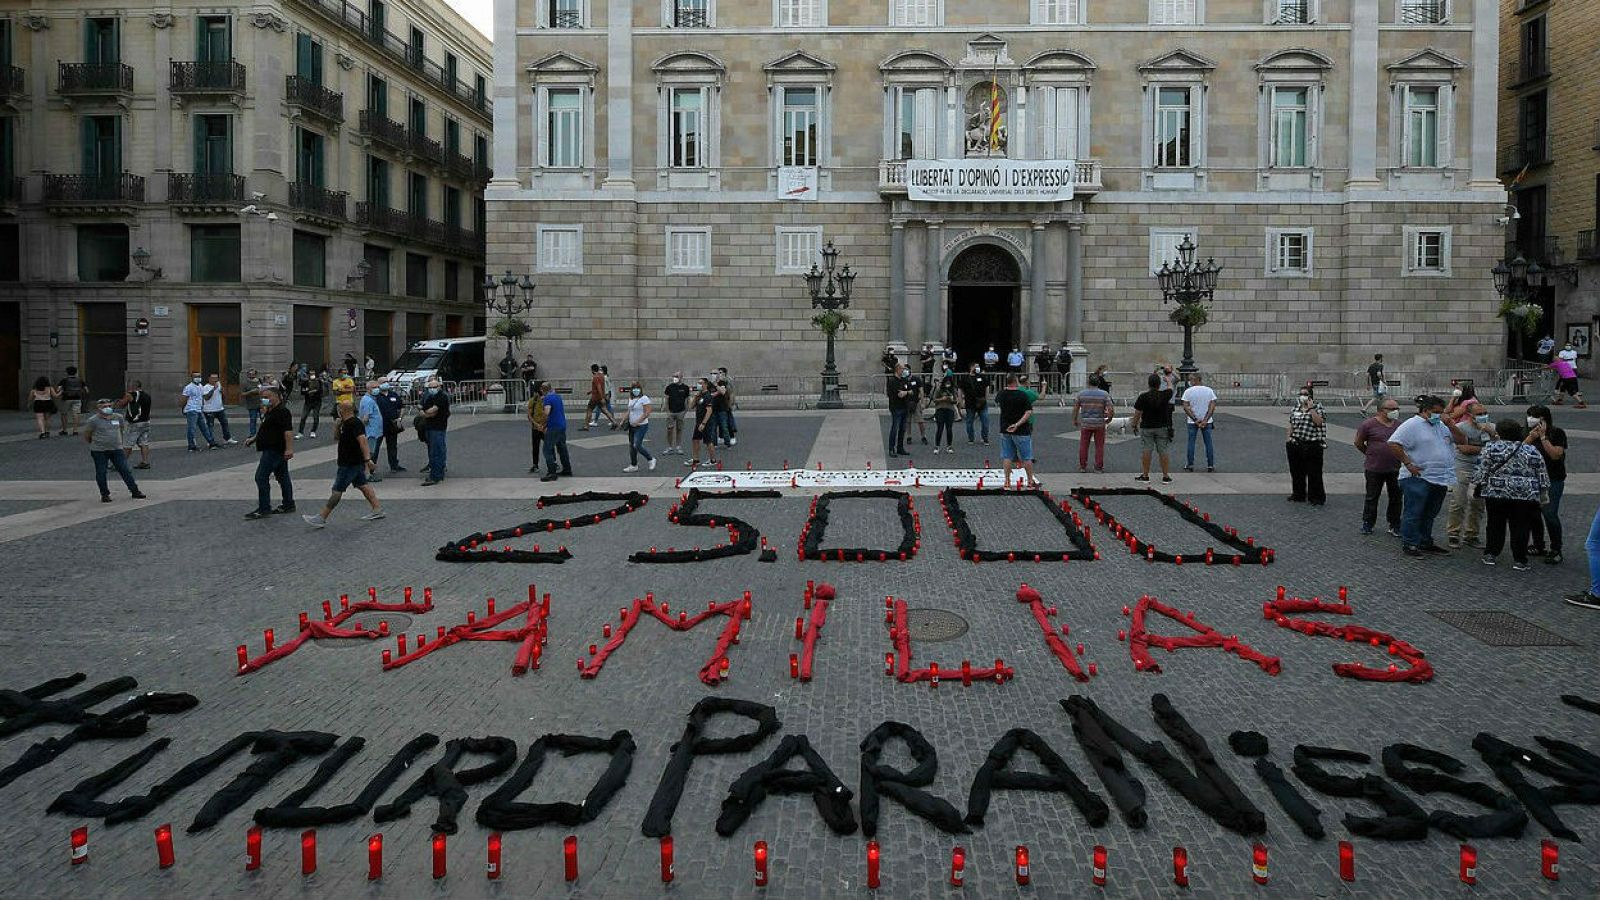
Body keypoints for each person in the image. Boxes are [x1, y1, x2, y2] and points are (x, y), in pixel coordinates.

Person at [1387, 394, 1463, 558]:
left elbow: (1462, 440)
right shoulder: (1412, 425)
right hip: (1417, 477)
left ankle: (1425, 541)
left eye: (1441, 412)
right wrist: (1408, 463)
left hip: (1439, 477)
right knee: (1414, 511)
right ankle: (1410, 542)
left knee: (1430, 513)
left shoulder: (1442, 425)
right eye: (1436, 412)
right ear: (1425, 410)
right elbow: (1393, 443)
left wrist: (1451, 424)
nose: (1439, 415)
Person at [1473, 419, 1549, 571]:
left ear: (1499, 433)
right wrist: (1543, 492)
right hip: (1524, 494)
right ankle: (1520, 559)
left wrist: (1477, 485)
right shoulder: (1531, 450)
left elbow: (1482, 470)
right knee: (1521, 526)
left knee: (1495, 524)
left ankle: (1491, 553)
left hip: (1496, 492)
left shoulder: (1491, 448)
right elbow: (1541, 472)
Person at [303, 401, 384, 528]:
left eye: (339, 409)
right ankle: (377, 509)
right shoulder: (345, 423)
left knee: (337, 490)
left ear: (342, 410)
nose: (337, 412)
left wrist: (368, 460)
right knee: (363, 485)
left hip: (349, 463)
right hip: (352, 462)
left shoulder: (355, 423)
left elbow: (363, 441)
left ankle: (322, 517)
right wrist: (337, 426)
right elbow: (337, 438)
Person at [1443, 399, 1493, 548]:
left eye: (1485, 413)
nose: (1483, 416)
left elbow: (1498, 447)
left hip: (1483, 470)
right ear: (1470, 415)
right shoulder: (1461, 428)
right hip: (1462, 467)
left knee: (1478, 505)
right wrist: (1483, 450)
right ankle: (1453, 533)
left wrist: (1488, 436)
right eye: (1479, 414)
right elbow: (1463, 449)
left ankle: (1472, 535)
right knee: (1458, 502)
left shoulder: (1491, 428)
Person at [1354, 398, 1403, 536]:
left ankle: (1394, 524)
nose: (1395, 411)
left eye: (1397, 408)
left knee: (1396, 498)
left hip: (1395, 468)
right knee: (1372, 497)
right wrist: (1370, 454)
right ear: (1381, 410)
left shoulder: (1400, 425)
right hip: (1374, 468)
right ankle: (1368, 523)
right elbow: (1358, 442)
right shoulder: (1368, 424)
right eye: (1392, 409)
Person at [1525, 404, 1567, 564]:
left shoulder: (1557, 433)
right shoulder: (1527, 433)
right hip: (1532, 479)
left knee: (1549, 513)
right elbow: (1519, 451)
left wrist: (1543, 438)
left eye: (1535, 417)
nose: (1531, 419)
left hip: (1552, 479)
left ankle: (1556, 548)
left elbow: (1555, 455)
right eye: (1529, 416)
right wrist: (1530, 438)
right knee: (1533, 513)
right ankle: (1538, 544)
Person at [243, 387, 295, 519]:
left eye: (268, 397)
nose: (265, 400)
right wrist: (254, 438)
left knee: (261, 477)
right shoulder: (270, 411)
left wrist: (289, 449)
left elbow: (288, 431)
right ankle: (288, 504)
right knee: (282, 476)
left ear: (277, 396)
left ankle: (264, 508)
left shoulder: (282, 411)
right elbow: (265, 428)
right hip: (272, 448)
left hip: (275, 449)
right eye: (263, 397)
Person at [81, 399, 146, 503]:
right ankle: (105, 494)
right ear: (98, 408)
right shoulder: (93, 420)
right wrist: (94, 443)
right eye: (104, 406)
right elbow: (87, 435)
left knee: (125, 470)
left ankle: (135, 491)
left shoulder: (118, 417)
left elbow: (121, 429)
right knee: (101, 472)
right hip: (99, 451)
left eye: (109, 406)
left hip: (117, 449)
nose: (107, 408)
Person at [1285, 386, 1327, 505]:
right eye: (1301, 394)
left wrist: (1311, 408)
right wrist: (1288, 439)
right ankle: (1298, 494)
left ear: (1310, 396)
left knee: (1314, 472)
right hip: (1296, 442)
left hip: (1312, 444)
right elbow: (1291, 423)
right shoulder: (1296, 407)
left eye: (1305, 394)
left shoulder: (1318, 407)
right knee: (1296, 471)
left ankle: (1316, 497)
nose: (1302, 396)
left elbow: (1319, 422)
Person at [995, 374, 1038, 488]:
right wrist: (1017, 424)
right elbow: (1028, 412)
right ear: (1016, 382)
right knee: (1026, 457)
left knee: (1007, 456)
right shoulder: (1022, 395)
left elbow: (997, 402)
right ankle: (1030, 481)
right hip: (1021, 429)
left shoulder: (1001, 394)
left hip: (1005, 428)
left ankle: (1007, 481)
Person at [1130, 373, 1174, 483]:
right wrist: (1168, 380)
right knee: (1163, 451)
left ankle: (1145, 475)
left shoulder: (1143, 397)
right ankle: (1165, 476)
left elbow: (1138, 413)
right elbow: (1171, 388)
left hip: (1147, 426)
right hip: (1162, 426)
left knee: (1147, 450)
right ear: (1159, 384)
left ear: (1148, 384)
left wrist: (1134, 424)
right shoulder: (1164, 395)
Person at [1073, 377, 1114, 473]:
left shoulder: (1081, 394)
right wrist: (1109, 418)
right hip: (1099, 423)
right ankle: (1098, 467)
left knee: (1084, 445)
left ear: (1088, 382)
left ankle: (1083, 466)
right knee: (1099, 446)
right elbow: (1111, 408)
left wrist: (1075, 419)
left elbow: (1076, 408)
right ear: (1098, 383)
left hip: (1086, 423)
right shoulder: (1104, 394)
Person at [1180, 373, 1218, 472]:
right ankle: (1210, 464)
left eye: (1191, 379)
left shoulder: (1188, 391)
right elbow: (1212, 407)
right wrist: (1205, 419)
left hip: (1192, 421)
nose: (1189, 382)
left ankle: (1190, 464)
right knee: (1208, 443)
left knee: (1191, 442)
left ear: (1195, 380)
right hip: (1207, 421)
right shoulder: (1209, 391)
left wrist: (1195, 419)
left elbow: (1185, 407)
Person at [538, 382, 573, 482]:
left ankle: (552, 472)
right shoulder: (557, 397)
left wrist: (542, 424)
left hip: (553, 427)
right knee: (562, 448)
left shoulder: (547, 399)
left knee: (547, 449)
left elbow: (547, 412)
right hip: (562, 425)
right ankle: (567, 469)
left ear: (542, 390)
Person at [116, 380, 154, 469]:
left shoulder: (131, 395)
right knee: (144, 443)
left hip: (134, 423)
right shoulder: (147, 395)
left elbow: (121, 404)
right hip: (146, 421)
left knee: (127, 444)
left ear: (133, 387)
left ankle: (120, 464)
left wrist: (119, 400)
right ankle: (145, 461)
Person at [419, 378, 450, 486]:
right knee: (434, 451)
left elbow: (432, 411)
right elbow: (422, 407)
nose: (431, 389)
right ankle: (437, 474)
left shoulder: (442, 396)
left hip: (438, 427)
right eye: (430, 387)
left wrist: (425, 413)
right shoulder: (430, 397)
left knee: (436, 452)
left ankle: (435, 476)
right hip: (430, 427)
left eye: (434, 387)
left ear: (439, 387)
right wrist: (425, 412)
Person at [372, 381, 407, 473]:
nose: (386, 383)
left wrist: (399, 419)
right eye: (383, 382)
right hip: (379, 425)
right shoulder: (376, 396)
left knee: (392, 446)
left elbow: (402, 407)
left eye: (386, 381)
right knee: (375, 447)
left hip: (392, 425)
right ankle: (371, 467)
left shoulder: (393, 394)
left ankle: (394, 465)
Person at [181, 373, 221, 451]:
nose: (198, 378)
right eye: (196, 376)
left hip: (199, 409)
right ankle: (191, 446)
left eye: (199, 376)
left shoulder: (200, 386)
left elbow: (202, 397)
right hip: (191, 410)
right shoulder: (188, 387)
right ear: (191, 378)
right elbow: (184, 399)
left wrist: (202, 406)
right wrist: (183, 408)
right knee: (192, 428)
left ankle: (211, 443)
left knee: (204, 427)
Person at [623, 383, 657, 472]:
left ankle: (650, 459)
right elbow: (629, 411)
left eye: (637, 388)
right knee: (631, 446)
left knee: (637, 445)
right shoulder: (631, 398)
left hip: (641, 426)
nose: (635, 390)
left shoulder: (644, 398)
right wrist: (623, 420)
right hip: (631, 425)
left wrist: (638, 421)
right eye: (634, 388)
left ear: (640, 389)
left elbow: (647, 412)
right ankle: (633, 465)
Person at [687, 377, 719, 468]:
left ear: (705, 384)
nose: (698, 385)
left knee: (708, 441)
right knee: (695, 439)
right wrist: (694, 397)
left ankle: (713, 460)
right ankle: (696, 459)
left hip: (706, 422)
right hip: (698, 421)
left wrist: (704, 423)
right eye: (698, 383)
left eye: (700, 383)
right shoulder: (699, 395)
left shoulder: (708, 396)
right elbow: (691, 406)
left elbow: (709, 410)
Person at [357, 380, 386, 483]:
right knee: (368, 454)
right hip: (371, 432)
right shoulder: (368, 401)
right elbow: (365, 418)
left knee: (370, 453)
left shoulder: (371, 399)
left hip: (374, 431)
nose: (377, 389)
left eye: (378, 387)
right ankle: (367, 474)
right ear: (368, 389)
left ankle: (368, 473)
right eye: (375, 387)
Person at [886, 364, 913, 457]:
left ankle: (900, 448)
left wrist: (906, 392)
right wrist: (903, 393)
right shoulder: (892, 381)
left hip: (905, 407)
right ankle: (891, 448)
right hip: (896, 407)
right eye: (902, 369)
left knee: (902, 429)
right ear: (897, 369)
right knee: (895, 428)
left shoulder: (904, 380)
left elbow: (911, 391)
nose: (904, 370)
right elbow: (894, 394)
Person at [960, 363, 990, 445]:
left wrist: (986, 398)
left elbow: (987, 386)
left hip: (982, 402)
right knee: (969, 422)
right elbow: (960, 389)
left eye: (978, 366)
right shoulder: (965, 378)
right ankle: (971, 438)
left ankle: (985, 438)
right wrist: (961, 400)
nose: (977, 368)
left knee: (985, 421)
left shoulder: (982, 377)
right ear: (971, 367)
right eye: (976, 366)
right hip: (970, 403)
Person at [202, 374, 236, 444]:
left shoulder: (219, 385)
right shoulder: (205, 387)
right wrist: (213, 389)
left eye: (216, 378)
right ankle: (210, 441)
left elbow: (223, 397)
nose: (215, 380)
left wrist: (222, 392)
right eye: (213, 378)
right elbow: (206, 398)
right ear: (209, 379)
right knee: (210, 426)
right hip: (209, 410)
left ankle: (227, 438)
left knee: (225, 424)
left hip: (220, 409)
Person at [663, 372, 691, 455]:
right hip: (671, 412)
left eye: (676, 376)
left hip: (681, 411)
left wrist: (685, 411)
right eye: (674, 376)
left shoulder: (685, 387)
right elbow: (666, 399)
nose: (675, 378)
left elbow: (687, 400)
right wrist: (667, 411)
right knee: (669, 429)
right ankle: (670, 447)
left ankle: (678, 446)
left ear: (681, 377)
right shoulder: (669, 387)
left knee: (679, 429)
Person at [931, 373, 959, 454]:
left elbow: (956, 401)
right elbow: (934, 400)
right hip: (940, 409)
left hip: (950, 409)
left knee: (949, 429)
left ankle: (949, 446)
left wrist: (951, 399)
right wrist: (942, 399)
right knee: (940, 428)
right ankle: (937, 446)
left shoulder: (953, 390)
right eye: (946, 383)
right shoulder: (939, 389)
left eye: (949, 383)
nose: (948, 384)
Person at [56, 366, 87, 436]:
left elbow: (58, 389)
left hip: (66, 398)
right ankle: (75, 430)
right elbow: (86, 390)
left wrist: (61, 391)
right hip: (77, 398)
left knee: (64, 414)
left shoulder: (64, 380)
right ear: (76, 372)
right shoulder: (80, 380)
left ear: (67, 372)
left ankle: (64, 430)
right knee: (76, 414)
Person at [583, 364, 616, 430]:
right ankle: (614, 422)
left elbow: (599, 387)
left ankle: (586, 426)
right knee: (605, 410)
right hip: (600, 397)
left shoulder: (595, 377)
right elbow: (600, 387)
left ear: (592, 370)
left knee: (589, 410)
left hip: (595, 398)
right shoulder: (602, 376)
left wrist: (602, 398)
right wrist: (592, 392)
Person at [526, 380, 547, 474]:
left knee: (548, 445)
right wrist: (536, 424)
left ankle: (553, 462)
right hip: (536, 427)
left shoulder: (546, 400)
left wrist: (542, 425)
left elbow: (548, 414)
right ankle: (535, 464)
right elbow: (529, 415)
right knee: (535, 447)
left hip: (544, 427)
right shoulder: (533, 401)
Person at [296, 367, 324, 438]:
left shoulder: (319, 382)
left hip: (317, 402)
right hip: (308, 402)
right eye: (311, 374)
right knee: (303, 417)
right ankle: (300, 432)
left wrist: (315, 391)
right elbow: (302, 392)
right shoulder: (305, 382)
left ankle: (313, 431)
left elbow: (321, 391)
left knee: (315, 417)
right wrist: (308, 392)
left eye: (313, 374)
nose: (312, 375)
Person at [715, 367, 739, 446]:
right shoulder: (717, 381)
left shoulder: (728, 381)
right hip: (719, 404)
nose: (719, 374)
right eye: (718, 372)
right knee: (720, 421)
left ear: (724, 373)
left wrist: (731, 404)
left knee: (728, 421)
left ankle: (732, 437)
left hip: (726, 404)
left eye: (720, 372)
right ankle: (721, 436)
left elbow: (731, 393)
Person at [241, 369, 267, 438]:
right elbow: (242, 394)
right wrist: (251, 392)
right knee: (253, 420)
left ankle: (265, 433)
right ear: (248, 375)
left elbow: (264, 389)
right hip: (251, 405)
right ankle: (253, 435)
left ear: (256, 374)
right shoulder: (245, 383)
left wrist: (261, 391)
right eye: (250, 374)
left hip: (261, 404)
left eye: (253, 374)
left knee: (264, 419)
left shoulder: (259, 381)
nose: (252, 375)